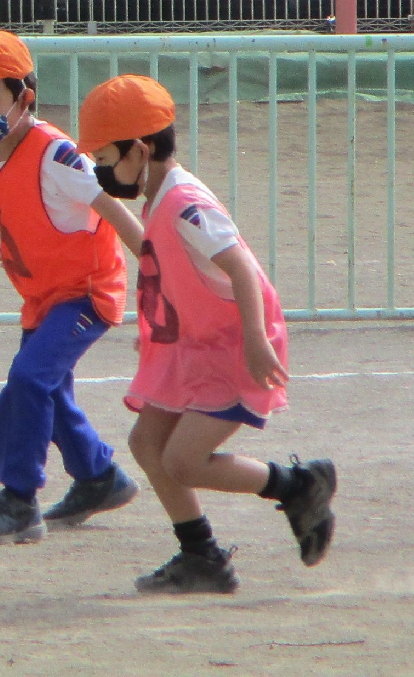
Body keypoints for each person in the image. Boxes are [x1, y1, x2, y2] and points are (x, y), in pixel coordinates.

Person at [75, 74, 338, 594]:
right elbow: (180, 276)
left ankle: (297, 485)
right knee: (146, 443)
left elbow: (240, 266)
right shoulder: (159, 199)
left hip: (233, 349)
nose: (102, 171)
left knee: (183, 460)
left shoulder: (186, 204)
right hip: (194, 347)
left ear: (140, 149)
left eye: (106, 158)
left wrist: (257, 339)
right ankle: (201, 556)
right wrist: (157, 331)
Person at [0, 30, 145, 545]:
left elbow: (112, 208)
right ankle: (100, 478)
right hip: (41, 297)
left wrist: (161, 270)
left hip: (88, 293)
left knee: (26, 384)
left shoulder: (55, 154)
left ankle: (18, 499)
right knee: (47, 394)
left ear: (24, 99)